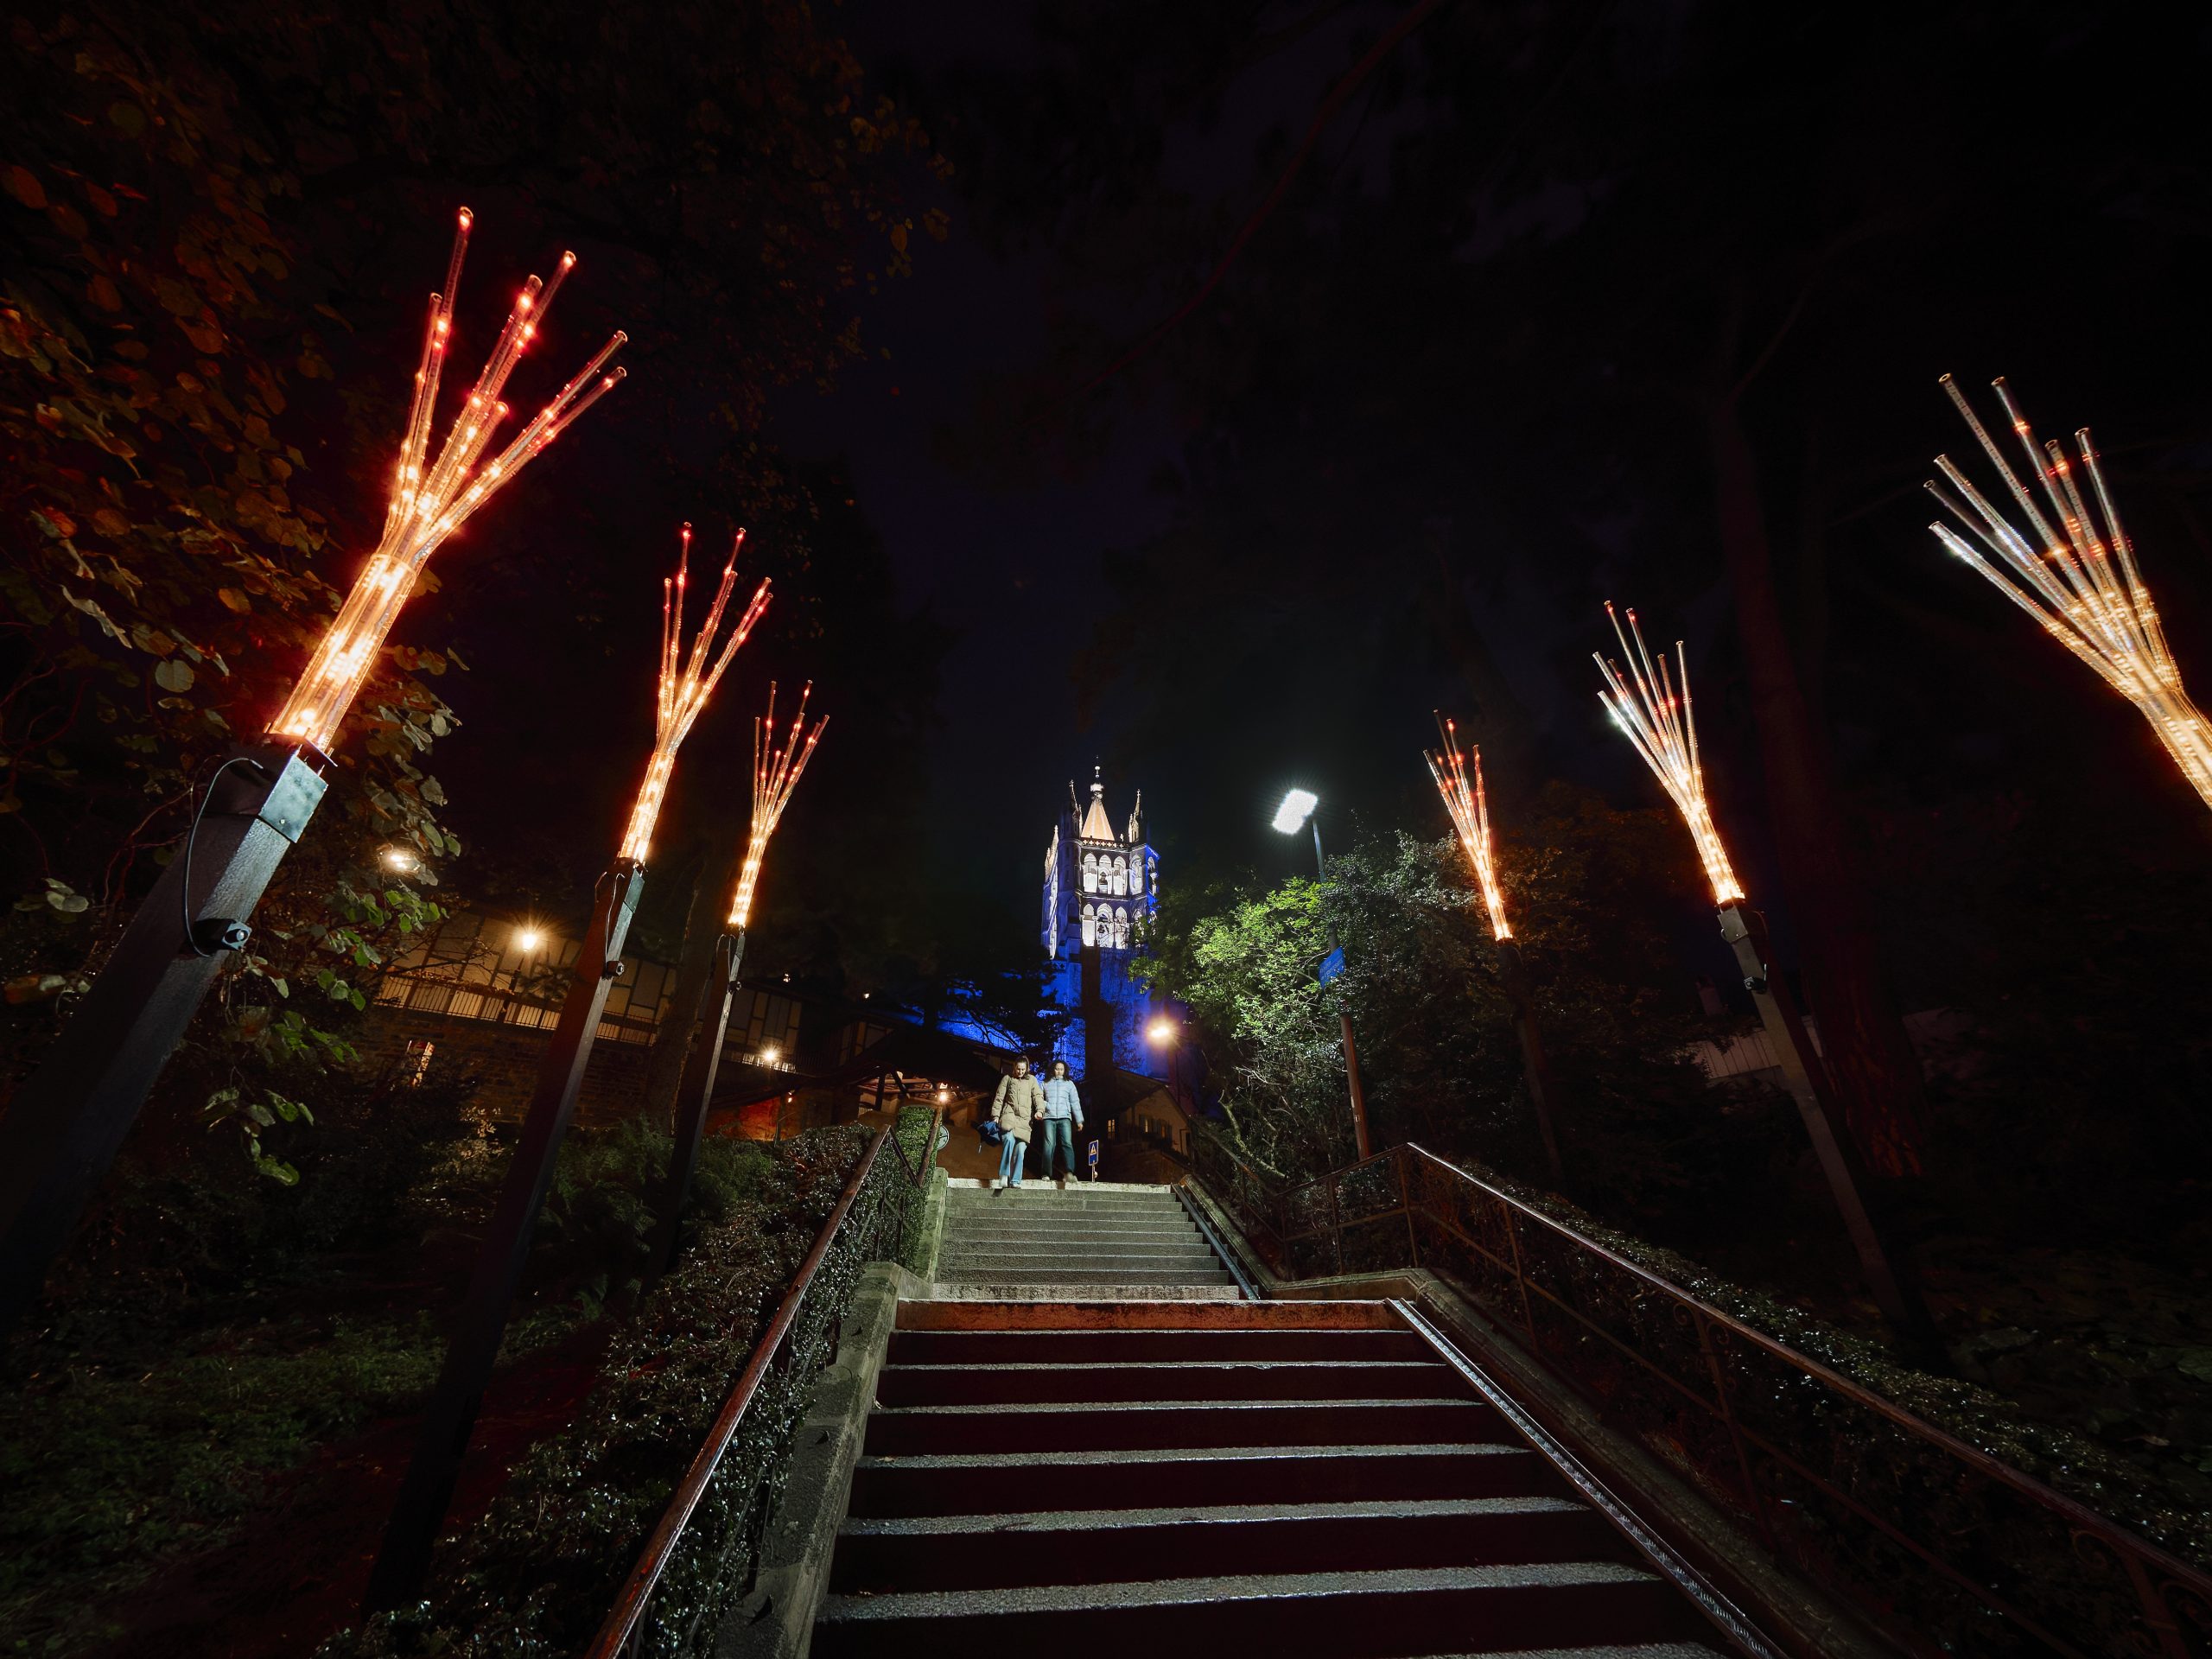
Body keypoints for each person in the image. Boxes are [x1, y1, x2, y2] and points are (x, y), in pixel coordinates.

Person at [989, 1058, 1044, 1190]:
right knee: (1008, 1140)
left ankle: (1015, 1180)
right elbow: (999, 1097)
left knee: (1020, 1150)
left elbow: (1038, 1096)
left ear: (1027, 1069)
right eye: (1018, 1069)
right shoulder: (1007, 1079)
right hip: (1009, 1116)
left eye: (1023, 1069)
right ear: (1014, 1067)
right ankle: (1004, 1175)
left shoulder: (1032, 1080)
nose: (1020, 1071)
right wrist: (996, 1116)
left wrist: (1040, 1110)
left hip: (1025, 1121)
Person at [1037, 1059, 1084, 1188]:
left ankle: (1069, 1172)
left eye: (1061, 1069)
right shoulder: (1045, 1083)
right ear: (1053, 1069)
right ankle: (1046, 1174)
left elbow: (1075, 1102)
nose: (1059, 1071)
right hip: (1049, 1117)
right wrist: (1045, 1106)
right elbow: (1038, 1098)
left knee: (1067, 1143)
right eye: (1057, 1069)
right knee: (1049, 1145)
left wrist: (1079, 1120)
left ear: (1065, 1071)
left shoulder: (1069, 1084)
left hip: (1065, 1117)